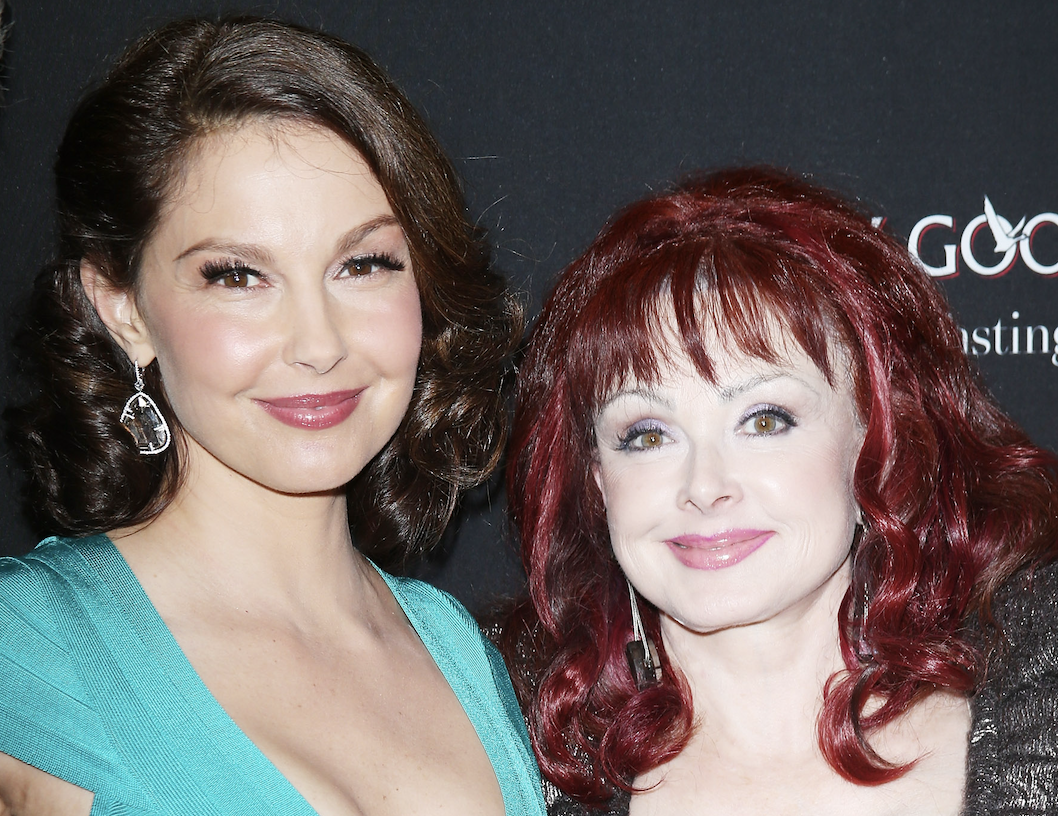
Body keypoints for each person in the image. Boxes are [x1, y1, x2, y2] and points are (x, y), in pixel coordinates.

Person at [0, 16, 545, 816]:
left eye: (364, 264)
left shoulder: (460, 654)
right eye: (237, 277)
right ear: (122, 308)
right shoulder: (28, 653)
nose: (318, 344)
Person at [501, 167, 1058, 815]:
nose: (704, 487)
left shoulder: (1042, 690)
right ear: (596, 479)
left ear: (879, 444)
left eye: (765, 421)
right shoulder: (502, 751)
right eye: (648, 434)